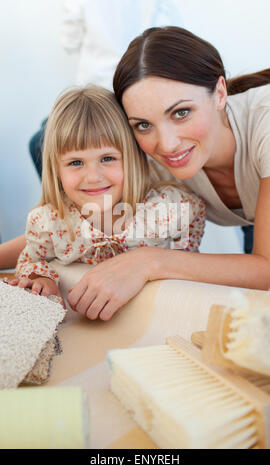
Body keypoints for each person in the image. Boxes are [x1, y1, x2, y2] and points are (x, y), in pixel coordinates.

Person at [65, 25, 270, 320]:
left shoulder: (265, 122)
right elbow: (66, 222)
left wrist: (150, 261)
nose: (168, 145)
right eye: (144, 124)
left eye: (181, 113)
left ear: (220, 93)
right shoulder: (151, 155)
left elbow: (266, 268)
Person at [7, 85, 205, 319]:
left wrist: (185, 254)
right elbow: (30, 261)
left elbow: (194, 212)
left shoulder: (166, 209)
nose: (93, 176)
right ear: (55, 170)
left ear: (132, 158)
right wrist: (42, 279)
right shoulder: (49, 222)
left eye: (107, 158)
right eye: (75, 163)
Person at [29, 0, 183, 179]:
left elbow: (69, 42)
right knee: (44, 129)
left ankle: (67, 203)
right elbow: (169, 33)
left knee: (39, 141)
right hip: (136, 88)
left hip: (96, 91)